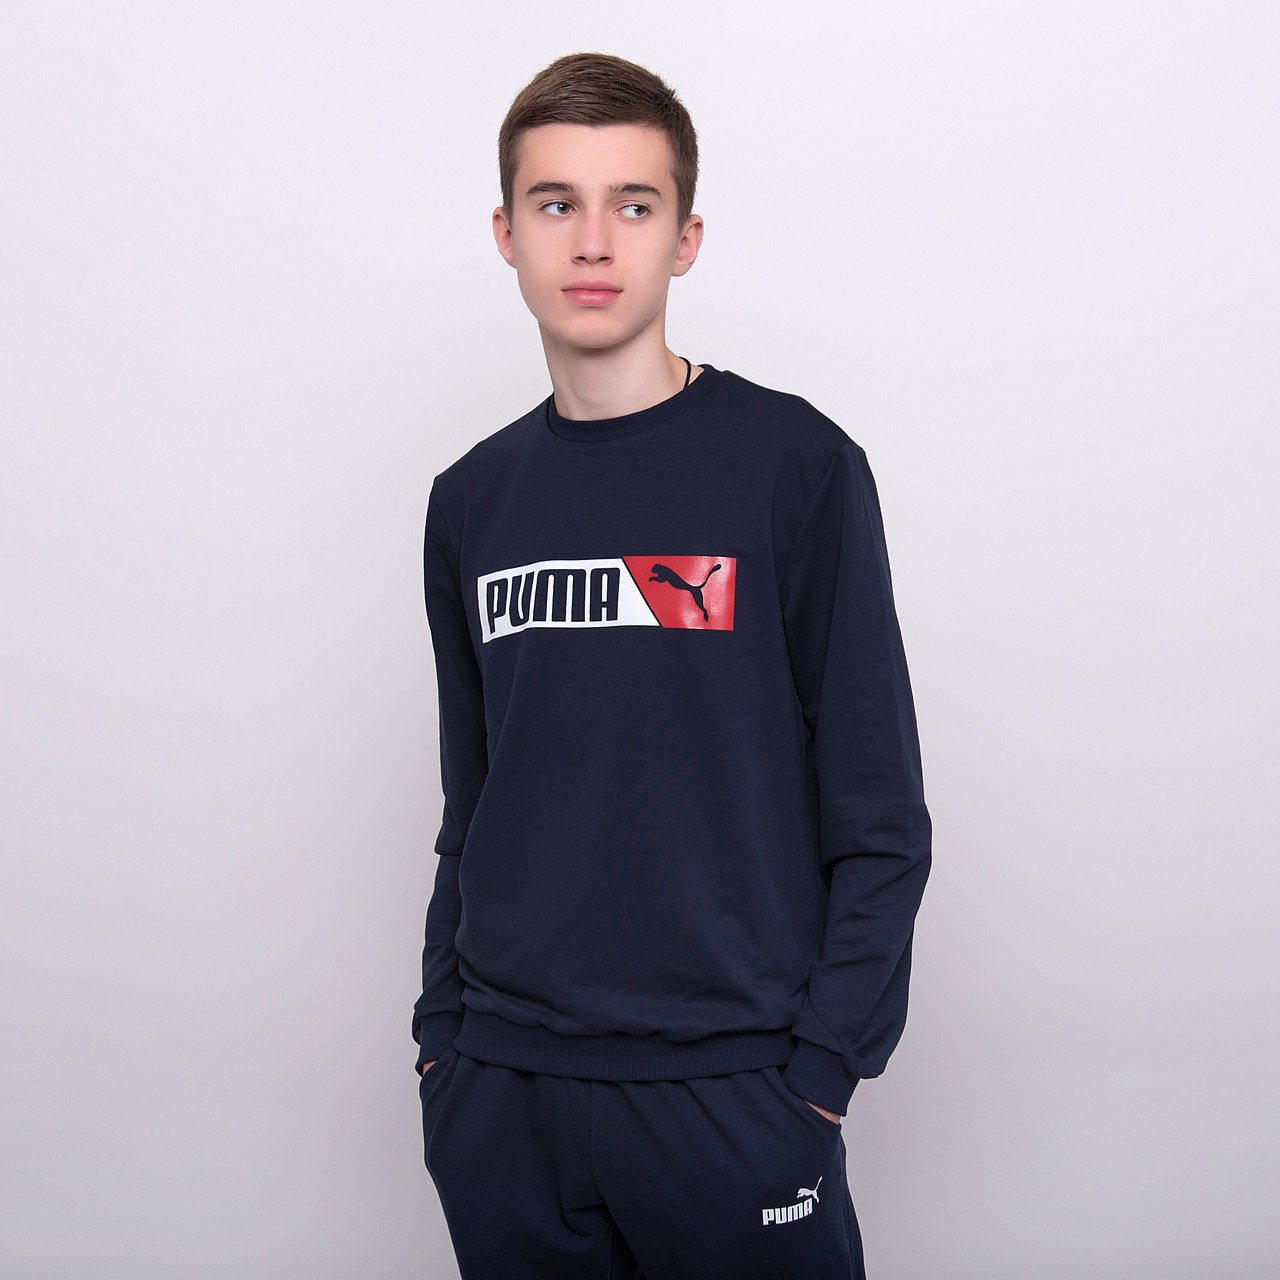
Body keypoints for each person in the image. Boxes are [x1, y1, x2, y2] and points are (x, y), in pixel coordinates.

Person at [412, 51, 931, 1280]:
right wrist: (444, 1040)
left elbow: (878, 815)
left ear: (684, 238)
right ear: (506, 233)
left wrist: (819, 1071)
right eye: (555, 202)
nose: (592, 241)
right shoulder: (470, 500)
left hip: (733, 1092)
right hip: (504, 1094)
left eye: (632, 205)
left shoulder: (795, 467)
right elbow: (472, 805)